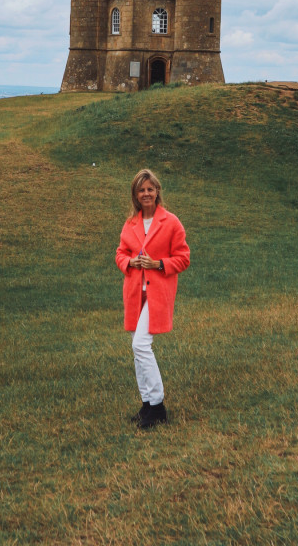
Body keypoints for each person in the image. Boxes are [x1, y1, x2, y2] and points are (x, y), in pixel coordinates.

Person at [115, 169, 190, 429]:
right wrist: (130, 261)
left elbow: (183, 258)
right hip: (135, 294)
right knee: (137, 350)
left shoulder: (171, 222)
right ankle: (146, 404)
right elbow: (120, 254)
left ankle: (158, 406)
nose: (146, 193)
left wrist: (158, 264)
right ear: (135, 196)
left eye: (150, 189)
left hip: (157, 294)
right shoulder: (130, 224)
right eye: (141, 190)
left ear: (157, 191)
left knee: (140, 345)